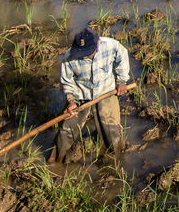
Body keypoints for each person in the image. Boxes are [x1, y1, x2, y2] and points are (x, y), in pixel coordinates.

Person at [51, 26, 132, 163]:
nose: (84, 56)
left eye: (88, 52)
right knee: (67, 129)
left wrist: (122, 80)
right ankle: (56, 161)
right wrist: (71, 101)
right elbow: (67, 81)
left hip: (106, 91)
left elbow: (122, 56)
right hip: (81, 95)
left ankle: (115, 159)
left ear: (98, 43)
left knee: (111, 129)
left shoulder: (111, 46)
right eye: (81, 53)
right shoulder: (69, 57)